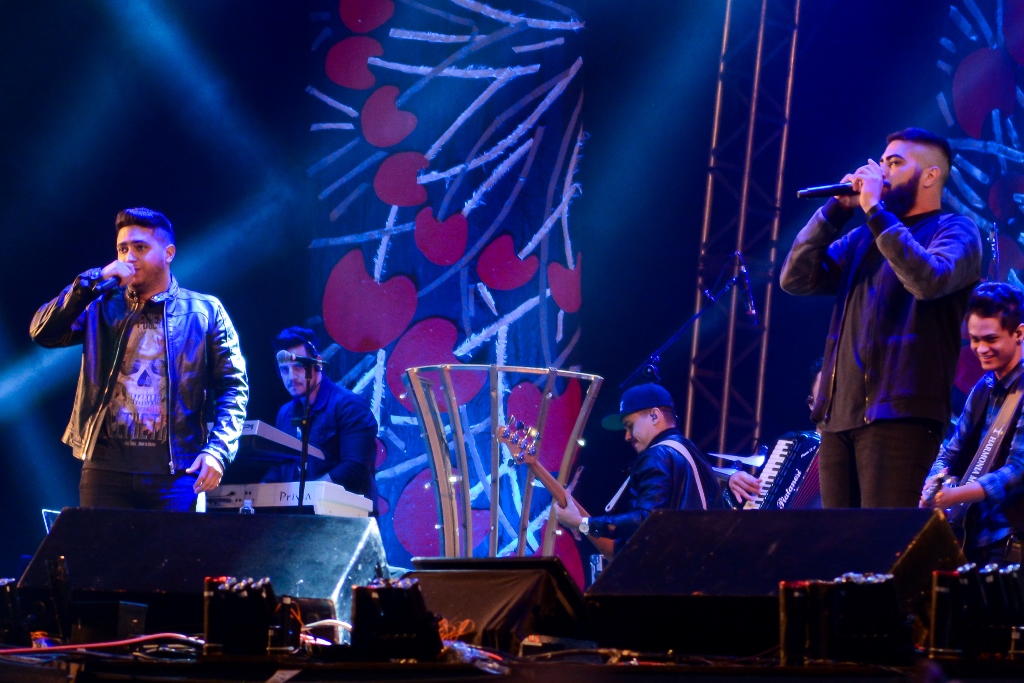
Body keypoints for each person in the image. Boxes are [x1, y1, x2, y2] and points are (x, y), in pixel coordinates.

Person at [780, 127, 982, 508]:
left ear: (930, 176)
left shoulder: (956, 230)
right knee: (839, 542)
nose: (881, 171)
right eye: (882, 161)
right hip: (838, 418)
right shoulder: (862, 239)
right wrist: (834, 211)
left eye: (895, 163)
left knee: (884, 539)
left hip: (901, 417)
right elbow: (795, 278)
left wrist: (875, 210)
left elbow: (928, 280)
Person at [29, 207, 248, 510]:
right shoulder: (100, 307)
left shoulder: (204, 312)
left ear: (168, 253)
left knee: (175, 545)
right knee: (99, 544)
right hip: (105, 472)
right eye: (122, 249)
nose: (129, 257)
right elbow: (43, 332)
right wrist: (91, 282)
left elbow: (233, 387)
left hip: (176, 475)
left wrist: (218, 451)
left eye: (140, 248)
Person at [554, 383, 725, 558]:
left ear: (654, 416)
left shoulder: (657, 455)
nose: (627, 436)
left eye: (630, 425)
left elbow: (648, 520)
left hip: (675, 569)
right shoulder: (693, 454)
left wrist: (583, 523)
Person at [922, 282, 1024, 564]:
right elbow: (950, 452)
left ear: (1019, 333)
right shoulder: (983, 387)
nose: (980, 349)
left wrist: (955, 495)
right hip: (971, 533)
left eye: (990, 339)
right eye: (975, 339)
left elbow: (1018, 469)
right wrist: (934, 484)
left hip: (1011, 536)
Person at [263, 327, 379, 513]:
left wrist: (308, 495)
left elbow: (354, 467)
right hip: (297, 522)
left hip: (345, 520)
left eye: (298, 367)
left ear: (317, 362)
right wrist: (255, 494)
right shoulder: (285, 413)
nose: (291, 377)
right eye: (284, 370)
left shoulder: (350, 406)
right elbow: (280, 467)